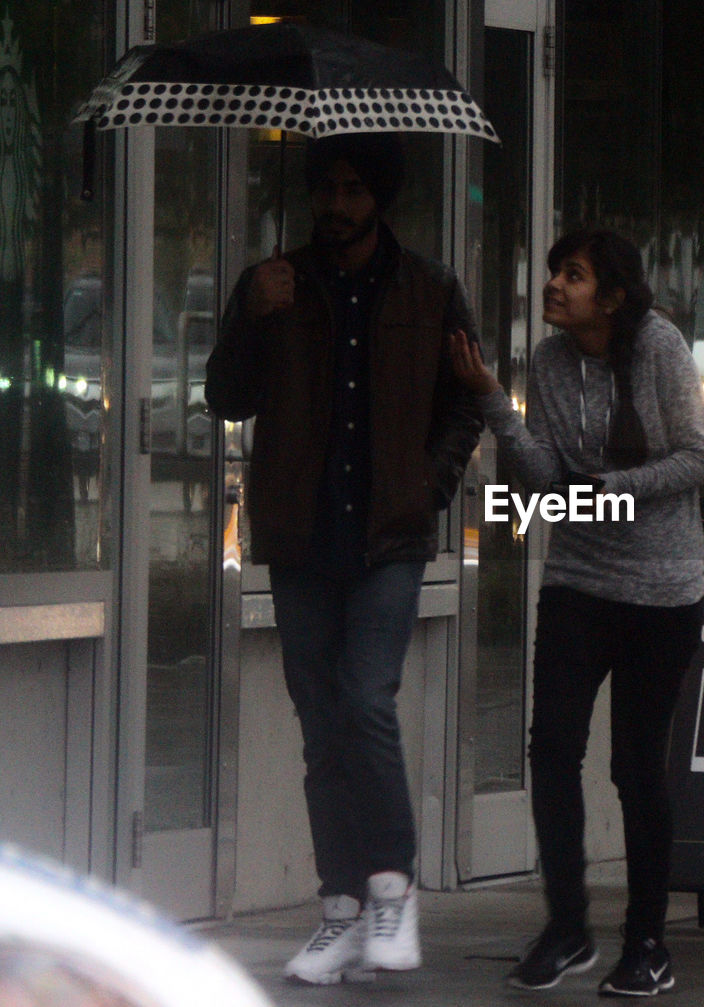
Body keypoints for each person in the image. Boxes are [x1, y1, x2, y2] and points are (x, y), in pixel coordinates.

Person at [205, 133, 483, 985]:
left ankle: (392, 885)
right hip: (300, 536)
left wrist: (427, 487)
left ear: (380, 199)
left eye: (353, 190)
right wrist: (251, 315)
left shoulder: (431, 288)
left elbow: (465, 402)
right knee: (322, 726)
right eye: (326, 189)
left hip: (389, 538)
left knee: (365, 698)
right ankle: (340, 907)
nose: (336, 204)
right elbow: (225, 397)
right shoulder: (274, 284)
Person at [449, 228, 704, 996]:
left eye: (572, 275)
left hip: (663, 589)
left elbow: (702, 455)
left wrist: (610, 489)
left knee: (636, 765)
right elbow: (542, 478)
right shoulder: (550, 361)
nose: (554, 286)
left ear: (612, 294)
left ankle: (648, 941)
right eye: (553, 272)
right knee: (552, 748)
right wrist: (493, 405)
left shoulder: (659, 347)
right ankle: (568, 926)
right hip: (577, 579)